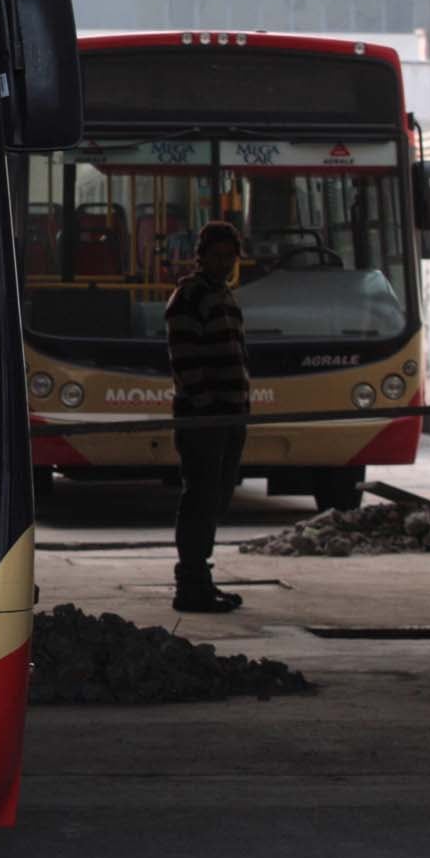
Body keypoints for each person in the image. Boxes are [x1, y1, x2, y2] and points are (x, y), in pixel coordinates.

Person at [164, 220, 250, 613]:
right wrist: (205, 407)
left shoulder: (223, 296)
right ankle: (191, 583)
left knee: (216, 495)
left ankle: (201, 578)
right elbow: (185, 359)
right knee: (200, 496)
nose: (222, 263)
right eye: (215, 256)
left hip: (228, 415)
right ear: (201, 257)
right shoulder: (190, 297)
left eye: (228, 257)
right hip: (206, 418)